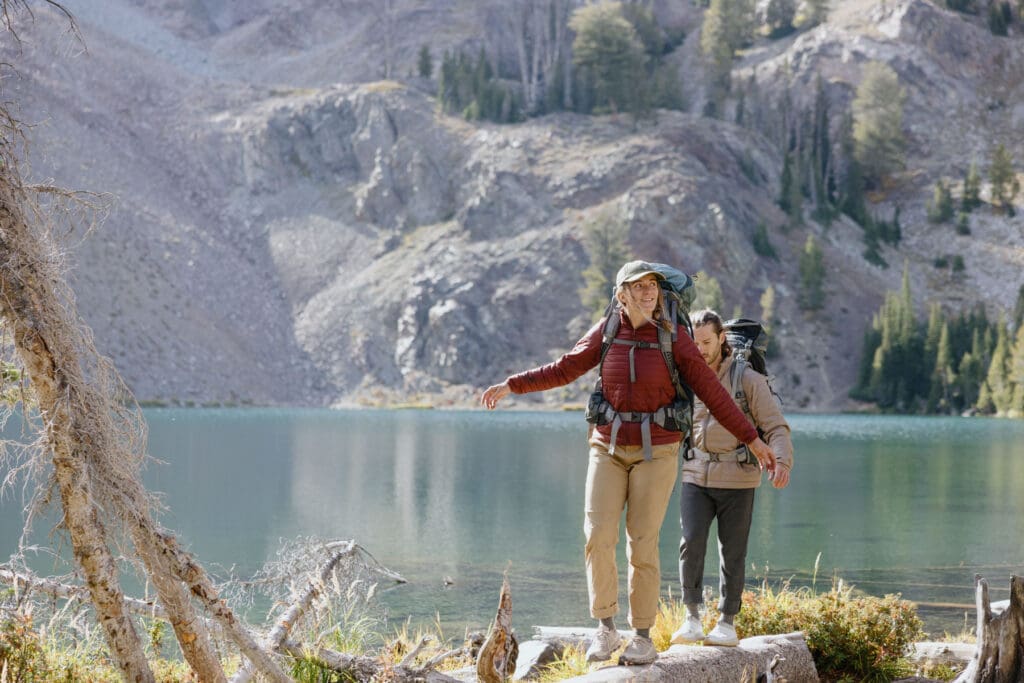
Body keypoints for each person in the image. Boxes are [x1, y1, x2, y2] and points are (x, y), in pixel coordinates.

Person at [481, 261, 776, 665]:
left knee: (642, 540)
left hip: (659, 451)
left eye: (652, 285)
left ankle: (641, 635)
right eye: (638, 286)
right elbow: (565, 367)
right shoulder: (608, 331)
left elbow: (711, 391)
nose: (648, 292)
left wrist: (752, 438)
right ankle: (605, 628)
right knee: (597, 533)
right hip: (607, 446)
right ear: (621, 293)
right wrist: (512, 385)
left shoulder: (673, 338)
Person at [671, 308, 793, 648]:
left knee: (732, 552)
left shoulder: (748, 379)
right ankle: (692, 618)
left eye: (707, 342)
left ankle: (726, 622)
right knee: (691, 542)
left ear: (722, 338)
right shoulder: (686, 375)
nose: (700, 350)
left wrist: (781, 461)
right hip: (695, 474)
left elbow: (776, 427)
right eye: (694, 344)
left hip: (738, 478)